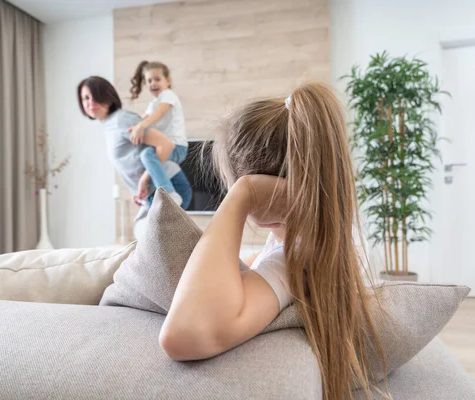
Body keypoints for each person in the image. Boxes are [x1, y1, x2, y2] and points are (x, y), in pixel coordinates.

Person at [158, 83, 384, 399]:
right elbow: (251, 268)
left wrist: (241, 197)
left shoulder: (300, 257)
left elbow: (184, 335)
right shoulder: (328, 234)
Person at [77, 76, 192, 214]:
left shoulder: (122, 119)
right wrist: (136, 189)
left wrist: (143, 180)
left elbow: (165, 144)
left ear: (108, 96)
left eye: (96, 96)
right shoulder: (109, 125)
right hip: (152, 193)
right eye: (86, 98)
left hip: (171, 186)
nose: (91, 103)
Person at [129, 61, 188, 206]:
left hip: (177, 147)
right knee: (147, 159)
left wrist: (142, 125)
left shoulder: (168, 95)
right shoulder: (152, 103)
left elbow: (160, 113)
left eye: (157, 79)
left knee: (147, 154)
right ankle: (149, 196)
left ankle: (169, 193)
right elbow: (144, 117)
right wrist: (134, 127)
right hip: (165, 148)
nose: (153, 83)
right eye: (149, 80)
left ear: (168, 81)